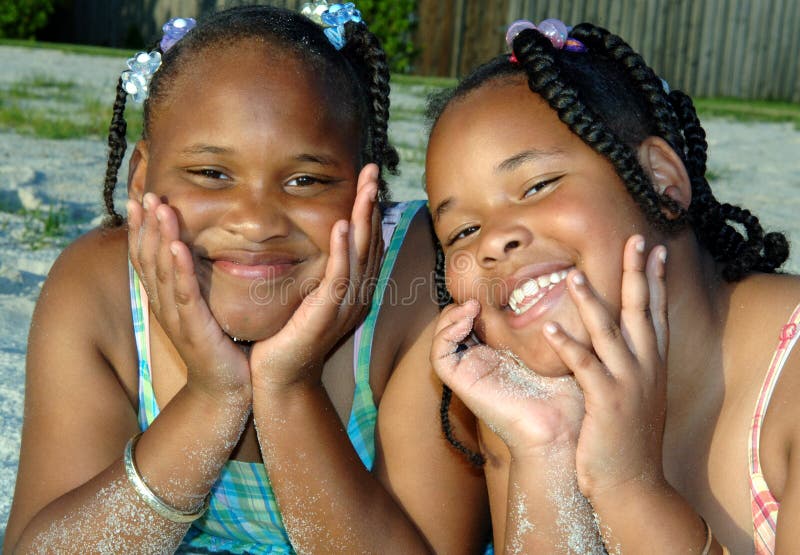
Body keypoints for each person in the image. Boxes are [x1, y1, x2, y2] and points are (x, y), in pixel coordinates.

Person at [4, 5, 489, 553]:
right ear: (141, 180)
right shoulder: (99, 292)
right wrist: (212, 399)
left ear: (367, 192)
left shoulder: (424, 283)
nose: (256, 223)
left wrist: (290, 386)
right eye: (212, 174)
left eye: (306, 180)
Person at [423, 17, 800, 554]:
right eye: (462, 231)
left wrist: (628, 487)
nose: (492, 243)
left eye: (536, 185)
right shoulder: (530, 403)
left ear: (660, 180)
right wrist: (546, 451)